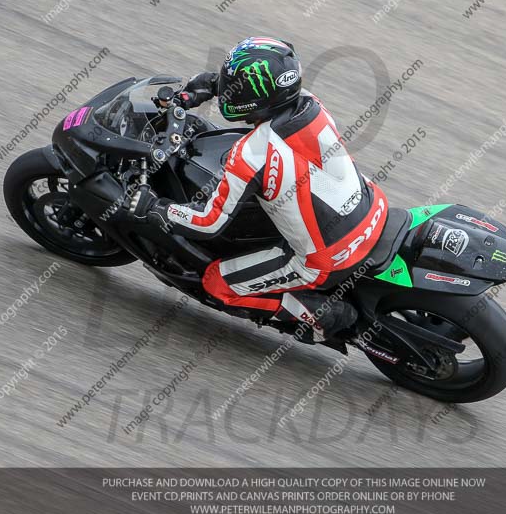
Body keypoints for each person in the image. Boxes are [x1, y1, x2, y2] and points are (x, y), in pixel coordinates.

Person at [129, 37, 389, 342]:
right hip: (370, 207)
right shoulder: (309, 103)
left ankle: (321, 315)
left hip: (324, 258)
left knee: (216, 283)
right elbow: (263, 93)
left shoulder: (252, 154)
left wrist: (155, 208)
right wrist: (205, 87)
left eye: (236, 84)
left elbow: (208, 222)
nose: (229, 87)